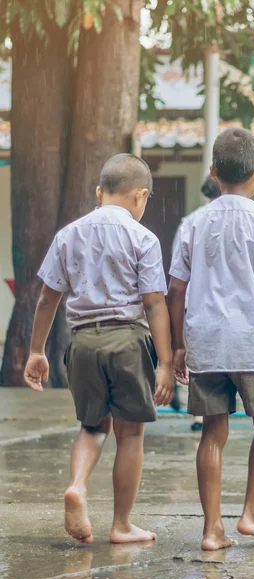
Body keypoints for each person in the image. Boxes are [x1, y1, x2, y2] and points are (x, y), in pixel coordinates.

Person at [168, 128, 254, 551]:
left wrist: (176, 346)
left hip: (205, 341)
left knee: (212, 432)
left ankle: (212, 530)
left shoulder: (193, 223)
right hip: (253, 342)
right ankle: (251, 514)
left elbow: (175, 290)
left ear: (213, 172)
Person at [24, 154, 174, 545]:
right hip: (127, 341)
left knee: (92, 427)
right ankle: (122, 525)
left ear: (98, 192)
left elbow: (46, 299)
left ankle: (77, 485)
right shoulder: (143, 238)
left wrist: (36, 351)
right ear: (141, 196)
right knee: (131, 435)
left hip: (83, 342)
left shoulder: (69, 234)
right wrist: (166, 361)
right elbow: (155, 302)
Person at [170, 175, 222, 431]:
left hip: (195, 301)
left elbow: (177, 278)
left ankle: (199, 415)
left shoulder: (190, 222)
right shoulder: (250, 219)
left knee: (196, 358)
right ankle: (216, 409)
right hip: (225, 305)